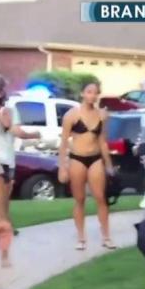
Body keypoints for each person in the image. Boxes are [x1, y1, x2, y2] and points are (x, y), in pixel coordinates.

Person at [58, 81, 116, 250]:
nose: (92, 95)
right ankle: (81, 238)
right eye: (89, 92)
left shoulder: (102, 115)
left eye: (95, 92)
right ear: (82, 94)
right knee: (80, 199)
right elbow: (63, 143)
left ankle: (106, 237)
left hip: (95, 158)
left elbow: (102, 141)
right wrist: (62, 166)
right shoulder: (71, 115)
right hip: (77, 158)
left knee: (100, 197)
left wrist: (109, 165)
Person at [0, 73, 40, 267]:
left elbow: (12, 128)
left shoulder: (9, 110)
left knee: (2, 211)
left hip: (5, 162)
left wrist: (32, 134)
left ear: (0, 92)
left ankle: (4, 253)